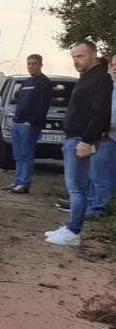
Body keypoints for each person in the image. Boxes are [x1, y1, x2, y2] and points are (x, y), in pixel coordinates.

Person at [45, 41, 114, 246]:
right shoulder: (88, 78)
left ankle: (73, 232)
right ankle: (70, 227)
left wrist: (86, 139)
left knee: (77, 188)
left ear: (93, 55)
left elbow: (100, 111)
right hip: (75, 138)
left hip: (81, 139)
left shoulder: (101, 79)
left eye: (80, 56)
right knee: (76, 187)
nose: (76, 61)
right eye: (74, 57)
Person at [4, 54, 53, 194]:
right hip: (17, 123)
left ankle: (24, 183)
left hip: (29, 126)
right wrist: (15, 119)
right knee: (17, 155)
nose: (31, 66)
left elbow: (43, 105)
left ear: (41, 65)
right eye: (29, 63)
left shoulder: (44, 83)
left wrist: (31, 122)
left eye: (34, 63)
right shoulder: (26, 82)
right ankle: (17, 181)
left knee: (26, 155)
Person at [84, 55, 116, 217]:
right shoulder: (111, 86)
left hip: (109, 137)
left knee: (102, 175)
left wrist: (103, 127)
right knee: (92, 173)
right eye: (114, 64)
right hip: (99, 135)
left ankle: (98, 208)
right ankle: (89, 204)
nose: (115, 67)